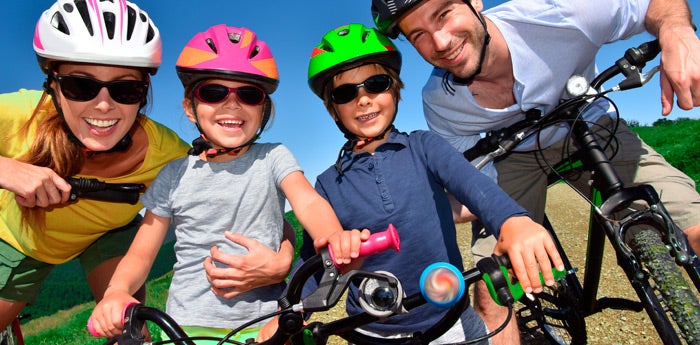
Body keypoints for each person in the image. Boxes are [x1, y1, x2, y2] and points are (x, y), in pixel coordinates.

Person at [370, 0, 700, 343]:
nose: (440, 43)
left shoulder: (559, 14)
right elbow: (472, 184)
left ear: (476, 3)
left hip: (591, 123)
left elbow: (654, 5)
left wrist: (676, 31)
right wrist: (442, 212)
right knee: (492, 288)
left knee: (693, 228)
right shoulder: (440, 101)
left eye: (444, 13)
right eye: (419, 34)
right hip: (515, 154)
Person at [0, 0, 294, 335]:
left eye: (126, 89)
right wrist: (7, 170)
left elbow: (258, 205)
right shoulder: (22, 115)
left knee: (129, 329)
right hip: (22, 238)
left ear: (143, 93)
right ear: (52, 84)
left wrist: (282, 258)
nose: (103, 104)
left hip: (109, 236)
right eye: (80, 86)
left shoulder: (170, 154)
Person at [268, 23, 563, 344]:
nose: (363, 99)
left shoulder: (425, 146)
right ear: (333, 109)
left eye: (376, 84)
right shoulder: (327, 183)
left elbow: (475, 187)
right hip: (369, 330)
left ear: (394, 89)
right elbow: (314, 258)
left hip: (451, 322)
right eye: (346, 93)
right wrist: (290, 310)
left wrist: (512, 220)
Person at [87, 24, 347, 343]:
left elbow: (307, 202)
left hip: (269, 323)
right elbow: (140, 254)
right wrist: (116, 292)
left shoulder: (275, 157)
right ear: (189, 107)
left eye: (249, 94)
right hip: (187, 329)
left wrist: (334, 237)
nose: (232, 104)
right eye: (213, 92)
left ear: (262, 108)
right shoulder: (173, 174)